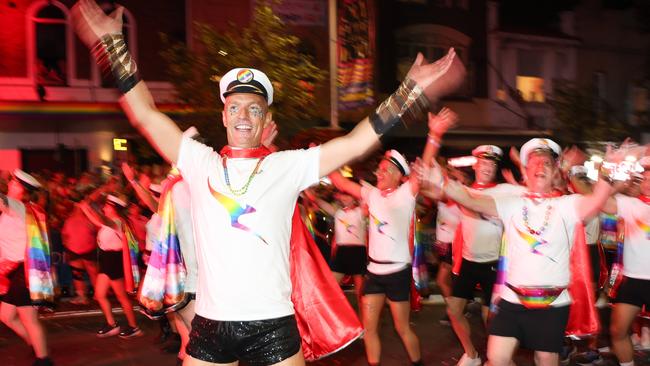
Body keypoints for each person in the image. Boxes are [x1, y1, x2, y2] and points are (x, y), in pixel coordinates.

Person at [71, 0, 465, 363]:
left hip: (273, 326)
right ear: (224, 116)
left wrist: (410, 91)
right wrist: (112, 44)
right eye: (235, 106)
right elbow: (146, 114)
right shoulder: (198, 161)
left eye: (254, 108)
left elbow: (357, 141)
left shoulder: (286, 168)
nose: (244, 114)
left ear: (263, 121)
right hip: (210, 324)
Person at [417, 137, 625, 366]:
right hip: (512, 299)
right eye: (534, 162)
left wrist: (608, 170)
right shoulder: (511, 203)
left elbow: (596, 200)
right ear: (526, 170)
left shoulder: (568, 204)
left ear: (556, 171)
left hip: (552, 304)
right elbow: (470, 199)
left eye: (547, 163)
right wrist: (443, 182)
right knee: (496, 358)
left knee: (545, 359)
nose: (540, 166)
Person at [444, 145, 525, 366]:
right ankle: (471, 355)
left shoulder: (504, 190)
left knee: (493, 321)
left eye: (492, 163)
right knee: (453, 311)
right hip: (468, 262)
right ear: (476, 165)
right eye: (484, 162)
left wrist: (519, 163)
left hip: (494, 265)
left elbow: (532, 191)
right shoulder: (464, 190)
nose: (488, 167)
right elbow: (435, 190)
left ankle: (499, 359)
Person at [0, 170, 54, 366]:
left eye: (13, 181)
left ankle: (44, 359)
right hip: (14, 271)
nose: (9, 182)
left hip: (24, 271)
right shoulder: (15, 209)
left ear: (21, 188)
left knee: (28, 318)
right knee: (6, 316)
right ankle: (36, 344)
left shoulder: (18, 207)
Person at [602, 157, 650, 366]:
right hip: (632, 279)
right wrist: (613, 184)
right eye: (645, 179)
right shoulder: (630, 204)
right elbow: (599, 201)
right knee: (617, 331)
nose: (647, 183)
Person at [80, 193, 143, 339]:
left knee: (121, 297)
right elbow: (98, 221)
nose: (104, 207)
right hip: (107, 259)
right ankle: (112, 324)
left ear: (115, 208)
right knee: (99, 294)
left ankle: (134, 327)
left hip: (115, 260)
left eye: (108, 205)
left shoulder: (118, 222)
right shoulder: (110, 221)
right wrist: (85, 209)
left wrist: (88, 208)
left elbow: (100, 220)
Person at [304, 186, 368, 311]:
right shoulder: (338, 212)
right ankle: (332, 318)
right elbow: (318, 201)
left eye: (347, 195)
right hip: (341, 252)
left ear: (354, 198)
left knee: (360, 293)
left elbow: (370, 203)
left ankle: (365, 323)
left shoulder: (360, 211)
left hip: (357, 252)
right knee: (331, 288)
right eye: (342, 195)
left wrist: (360, 193)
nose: (343, 197)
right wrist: (308, 191)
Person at [62, 201, 99, 305]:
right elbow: (64, 236)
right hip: (74, 250)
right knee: (78, 274)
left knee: (93, 272)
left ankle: (99, 295)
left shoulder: (89, 219)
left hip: (88, 249)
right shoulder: (69, 220)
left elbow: (97, 232)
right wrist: (67, 247)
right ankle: (82, 296)